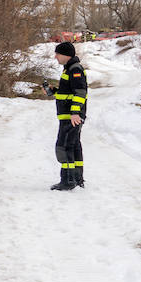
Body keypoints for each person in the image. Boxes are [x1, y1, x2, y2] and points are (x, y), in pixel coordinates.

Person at [43, 41, 88, 190]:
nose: (55, 56)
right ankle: (77, 178)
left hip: (71, 117)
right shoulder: (68, 69)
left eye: (58, 53)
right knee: (73, 145)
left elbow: (80, 93)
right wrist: (53, 91)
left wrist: (75, 113)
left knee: (64, 147)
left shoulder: (75, 70)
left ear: (66, 55)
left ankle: (68, 181)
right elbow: (68, 93)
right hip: (69, 116)